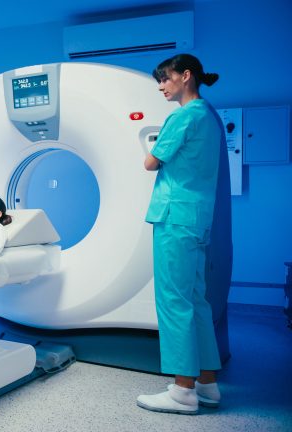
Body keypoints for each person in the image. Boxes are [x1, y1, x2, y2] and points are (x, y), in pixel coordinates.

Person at [136, 54, 225, 415]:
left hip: (174, 217)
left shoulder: (183, 116)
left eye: (165, 78)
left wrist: (154, 145)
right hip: (197, 218)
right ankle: (207, 384)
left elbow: (150, 162)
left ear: (185, 76)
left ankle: (182, 391)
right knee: (196, 300)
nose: (161, 86)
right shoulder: (209, 116)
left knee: (174, 301)